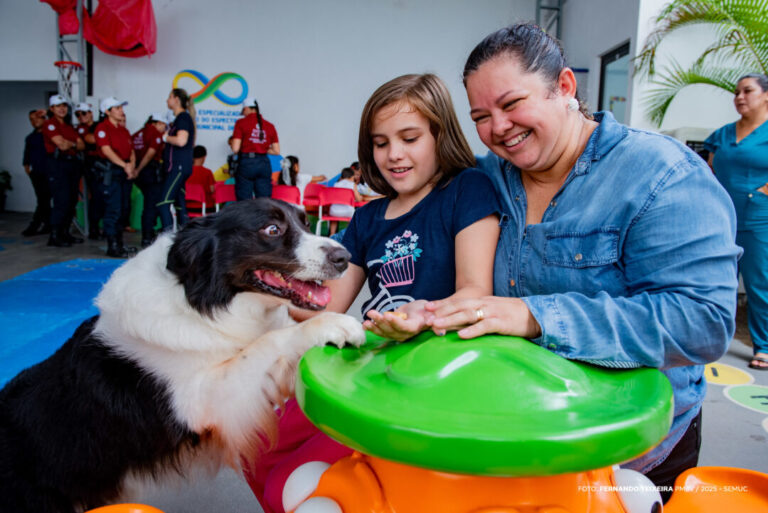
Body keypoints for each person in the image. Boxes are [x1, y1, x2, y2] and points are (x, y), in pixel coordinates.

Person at [420, 23, 741, 502]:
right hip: (514, 436)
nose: (498, 128)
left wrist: (535, 315)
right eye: (481, 116)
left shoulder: (662, 174)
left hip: (628, 453)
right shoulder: (485, 180)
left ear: (565, 87)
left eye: (512, 104)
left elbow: (702, 322)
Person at [242, 73, 502, 513]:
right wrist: (261, 293)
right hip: (368, 366)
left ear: (440, 135)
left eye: (409, 138)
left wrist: (423, 315)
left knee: (293, 486)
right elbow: (325, 305)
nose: (394, 154)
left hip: (427, 379)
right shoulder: (369, 218)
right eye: (381, 143)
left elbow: (475, 290)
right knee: (254, 444)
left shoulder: (466, 189)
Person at [704, 73, 768, 371]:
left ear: (765, 95)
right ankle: (711, 340)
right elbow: (709, 167)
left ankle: (764, 345)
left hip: (758, 218)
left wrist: (763, 191)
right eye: (737, 92)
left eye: (747, 91)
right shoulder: (723, 134)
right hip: (721, 216)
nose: (739, 97)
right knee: (718, 279)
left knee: (759, 282)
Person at [95, 96, 136, 257]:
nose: (121, 111)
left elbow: (131, 151)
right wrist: (124, 165)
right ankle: (112, 246)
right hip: (112, 172)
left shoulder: (123, 130)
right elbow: (106, 151)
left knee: (123, 209)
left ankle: (119, 244)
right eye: (117, 108)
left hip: (124, 172)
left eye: (121, 108)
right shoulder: (102, 128)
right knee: (113, 209)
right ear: (107, 111)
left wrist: (131, 166)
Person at [42, 94, 85, 247]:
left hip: (71, 164)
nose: (62, 109)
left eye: (64, 106)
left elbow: (81, 145)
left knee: (72, 200)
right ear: (52, 109)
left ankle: (65, 233)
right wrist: (73, 144)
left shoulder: (68, 126)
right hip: (57, 164)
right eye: (58, 106)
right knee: (62, 200)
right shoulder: (50, 124)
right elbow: (61, 144)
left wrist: (71, 144)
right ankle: (55, 235)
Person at [158, 88, 196, 231]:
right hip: (179, 167)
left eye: (169, 97)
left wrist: (165, 137)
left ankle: (167, 239)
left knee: (163, 203)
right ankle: (184, 238)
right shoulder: (182, 118)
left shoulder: (183, 118)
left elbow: (181, 141)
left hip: (178, 167)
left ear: (176, 100)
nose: (167, 100)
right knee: (180, 204)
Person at [230, 97, 279, 200]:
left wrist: (248, 144)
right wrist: (262, 147)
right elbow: (276, 151)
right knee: (264, 200)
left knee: (245, 201)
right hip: (264, 163)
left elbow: (235, 148)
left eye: (243, 111)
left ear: (247, 108)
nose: (244, 114)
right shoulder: (270, 126)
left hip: (247, 163)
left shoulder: (241, 123)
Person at [132, 112, 167, 247]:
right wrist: (139, 169)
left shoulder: (138, 134)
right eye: (164, 125)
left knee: (149, 203)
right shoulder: (154, 133)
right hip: (149, 171)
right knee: (151, 205)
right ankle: (147, 236)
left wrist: (135, 168)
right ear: (158, 123)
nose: (164, 129)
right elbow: (150, 154)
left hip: (140, 173)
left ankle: (148, 234)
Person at [74, 102, 105, 240]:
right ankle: (94, 229)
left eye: (84, 113)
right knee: (96, 198)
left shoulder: (99, 125)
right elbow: (92, 139)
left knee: (105, 198)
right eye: (78, 114)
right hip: (91, 166)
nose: (81, 116)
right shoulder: (81, 129)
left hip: (104, 165)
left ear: (91, 113)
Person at [21, 109, 51, 236]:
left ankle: (36, 225)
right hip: (37, 173)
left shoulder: (50, 134)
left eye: (37, 118)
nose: (34, 122)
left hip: (51, 172)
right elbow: (27, 155)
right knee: (43, 200)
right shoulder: (30, 138)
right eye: (31, 120)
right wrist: (27, 168)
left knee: (46, 200)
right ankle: (44, 225)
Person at [327, 167, 361, 235]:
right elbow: (359, 199)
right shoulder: (353, 185)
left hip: (334, 212)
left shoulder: (336, 184)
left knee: (334, 218)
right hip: (348, 212)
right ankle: (348, 234)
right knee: (353, 217)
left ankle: (331, 234)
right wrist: (361, 197)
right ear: (352, 177)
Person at [187, 145, 216, 212]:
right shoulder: (207, 172)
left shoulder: (186, 172)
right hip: (206, 207)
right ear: (204, 157)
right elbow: (212, 189)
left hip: (188, 207)